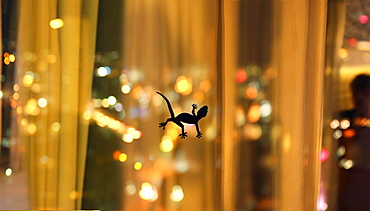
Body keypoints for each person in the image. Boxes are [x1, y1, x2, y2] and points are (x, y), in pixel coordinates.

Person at [338, 73, 370, 211]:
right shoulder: (343, 120)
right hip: (348, 184)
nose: (359, 97)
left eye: (364, 93)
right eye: (356, 92)